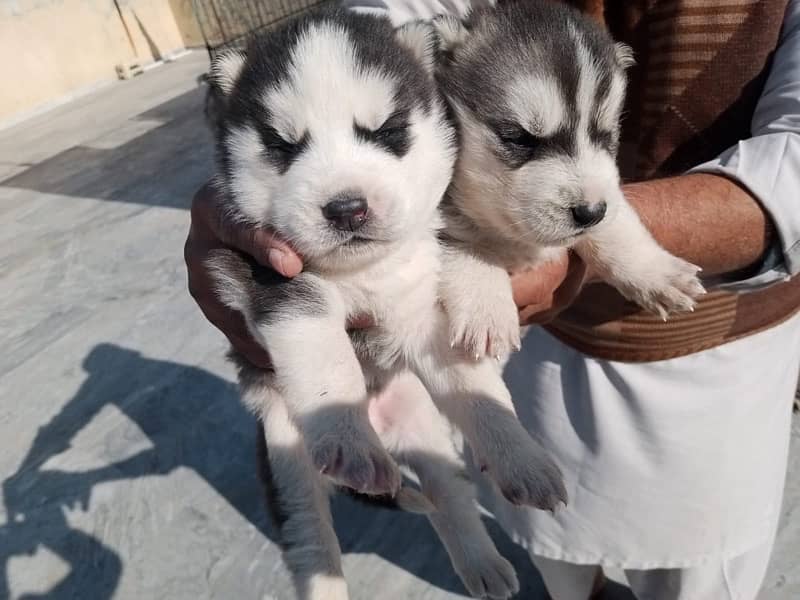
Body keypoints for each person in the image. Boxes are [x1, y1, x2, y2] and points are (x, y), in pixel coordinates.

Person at [184, 0, 800, 598]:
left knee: (695, 568)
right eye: (521, 139)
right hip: (526, 352)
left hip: (715, 356)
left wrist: (616, 248)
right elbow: (395, 31)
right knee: (550, 544)